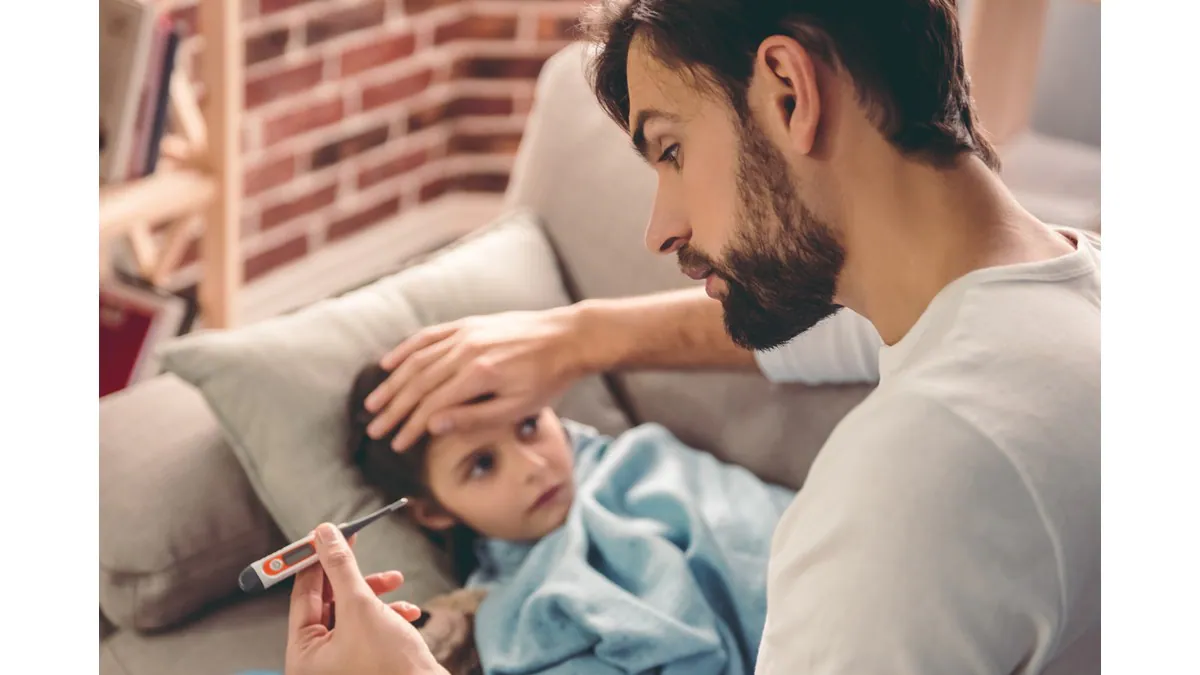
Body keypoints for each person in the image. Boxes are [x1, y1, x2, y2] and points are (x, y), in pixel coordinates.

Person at [286, 0, 1101, 673]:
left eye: (671, 150)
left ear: (788, 91)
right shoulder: (1083, 292)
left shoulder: (915, 487)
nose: (660, 228)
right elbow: (835, 335)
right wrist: (577, 337)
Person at [349, 362, 793, 673]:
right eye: (482, 464)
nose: (533, 467)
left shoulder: (640, 463)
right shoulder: (504, 612)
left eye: (528, 426)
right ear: (434, 511)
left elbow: (755, 530)